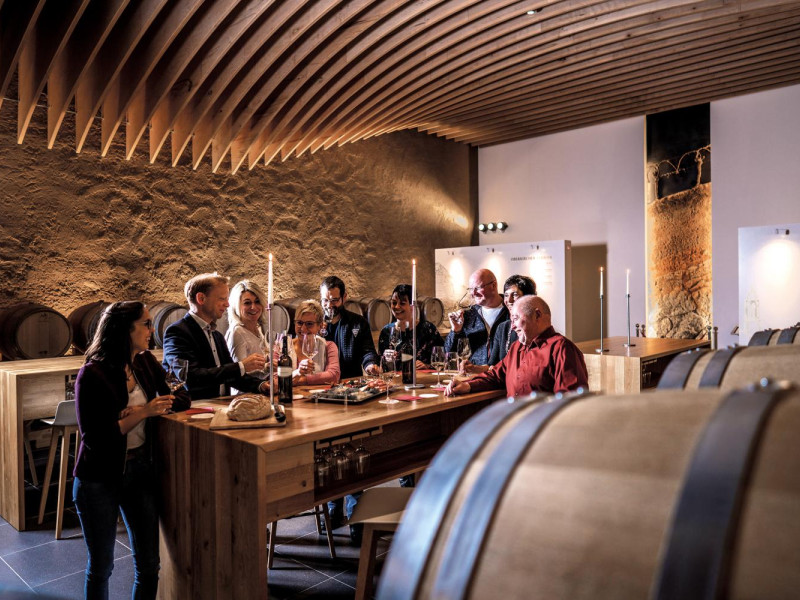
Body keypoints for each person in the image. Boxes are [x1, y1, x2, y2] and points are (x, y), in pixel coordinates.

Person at [73, 301, 191, 599]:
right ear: (125, 329)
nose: (153, 330)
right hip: (98, 477)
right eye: (146, 324)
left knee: (150, 565)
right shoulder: (92, 374)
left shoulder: (146, 361)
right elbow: (96, 438)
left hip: (139, 470)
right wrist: (144, 412)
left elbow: (181, 397)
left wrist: (142, 409)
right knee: (102, 567)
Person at [445, 296, 588, 398]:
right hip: (514, 423)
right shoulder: (517, 347)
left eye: (515, 319)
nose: (512, 326)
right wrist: (468, 385)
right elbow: (496, 376)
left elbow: (570, 401)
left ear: (537, 315)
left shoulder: (562, 348)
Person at [163, 272, 270, 400]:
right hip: (195, 407)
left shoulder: (216, 335)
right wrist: (241, 366)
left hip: (220, 404)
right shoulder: (178, 332)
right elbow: (189, 377)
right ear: (201, 299)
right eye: (222, 299)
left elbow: (231, 377)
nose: (227, 304)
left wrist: (261, 385)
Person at [444, 268, 509, 368]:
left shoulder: (511, 313)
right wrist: (456, 331)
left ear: (493, 285)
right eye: (470, 289)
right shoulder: (468, 315)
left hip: (502, 374)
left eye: (478, 288)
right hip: (473, 375)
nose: (473, 293)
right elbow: (448, 354)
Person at [320, 275, 380, 379]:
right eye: (325, 300)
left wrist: (370, 365)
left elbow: (367, 351)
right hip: (322, 382)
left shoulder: (358, 322)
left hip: (350, 381)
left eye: (334, 300)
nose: (329, 305)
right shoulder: (314, 324)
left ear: (344, 297)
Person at [378, 284, 444, 368]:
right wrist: (385, 360)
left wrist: (427, 366)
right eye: (394, 303)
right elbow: (381, 367)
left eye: (402, 303)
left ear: (413, 306)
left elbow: (442, 359)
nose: (397, 306)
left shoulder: (428, 329)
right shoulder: (386, 331)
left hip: (423, 376)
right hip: (397, 377)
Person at [225, 280, 270, 394]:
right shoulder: (237, 332)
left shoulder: (258, 328)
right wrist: (266, 370)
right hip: (243, 397)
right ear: (236, 305)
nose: (253, 307)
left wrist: (268, 369)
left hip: (258, 392)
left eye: (257, 301)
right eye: (247, 303)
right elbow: (238, 376)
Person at [289, 299, 341, 385]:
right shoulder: (283, 346)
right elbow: (275, 378)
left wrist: (299, 380)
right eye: (299, 323)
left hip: (319, 394)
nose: (303, 328)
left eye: (309, 324)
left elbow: (334, 375)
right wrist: (298, 372)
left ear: (320, 326)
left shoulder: (329, 346)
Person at [488, 275, 537, 365]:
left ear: (528, 297)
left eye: (514, 295)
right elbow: (492, 365)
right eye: (506, 295)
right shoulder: (502, 327)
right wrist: (473, 368)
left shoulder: (536, 327)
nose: (509, 300)